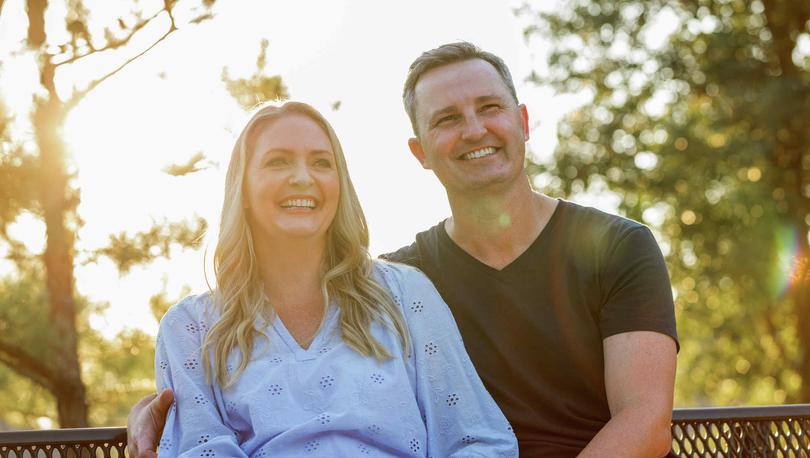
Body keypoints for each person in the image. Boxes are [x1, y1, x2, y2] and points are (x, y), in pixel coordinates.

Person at [129, 43, 678, 457]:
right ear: (419, 152)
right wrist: (160, 420)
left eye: (489, 107)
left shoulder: (614, 247)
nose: (474, 129)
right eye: (446, 119)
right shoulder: (401, 282)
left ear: (523, 121)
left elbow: (646, 421)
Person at [149, 101, 517, 457]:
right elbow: (199, 449)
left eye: (321, 163)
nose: (302, 178)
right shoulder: (189, 328)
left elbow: (477, 440)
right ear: (242, 188)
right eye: (278, 162)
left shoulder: (406, 295)